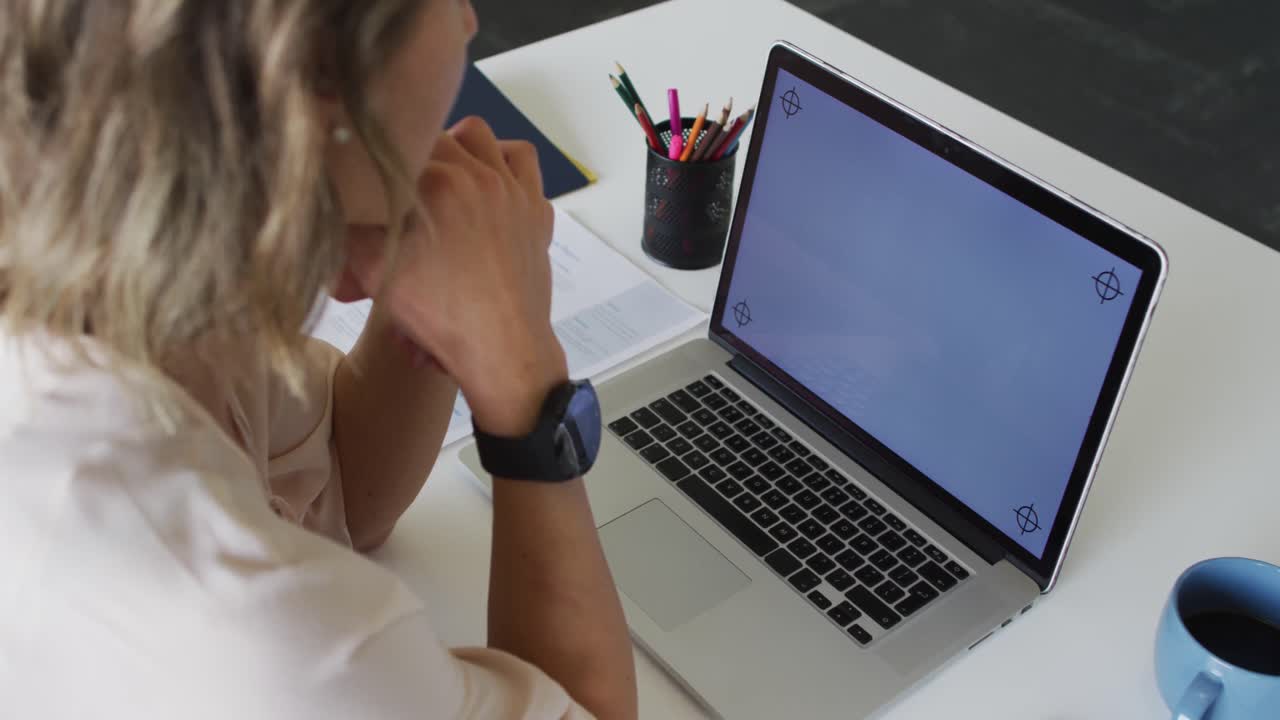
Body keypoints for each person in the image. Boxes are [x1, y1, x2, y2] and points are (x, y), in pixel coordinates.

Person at [0, 1, 638, 718]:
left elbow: (344, 480)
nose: (468, 20)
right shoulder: (282, 644)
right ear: (310, 73)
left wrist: (437, 294)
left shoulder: (112, 265)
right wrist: (525, 384)